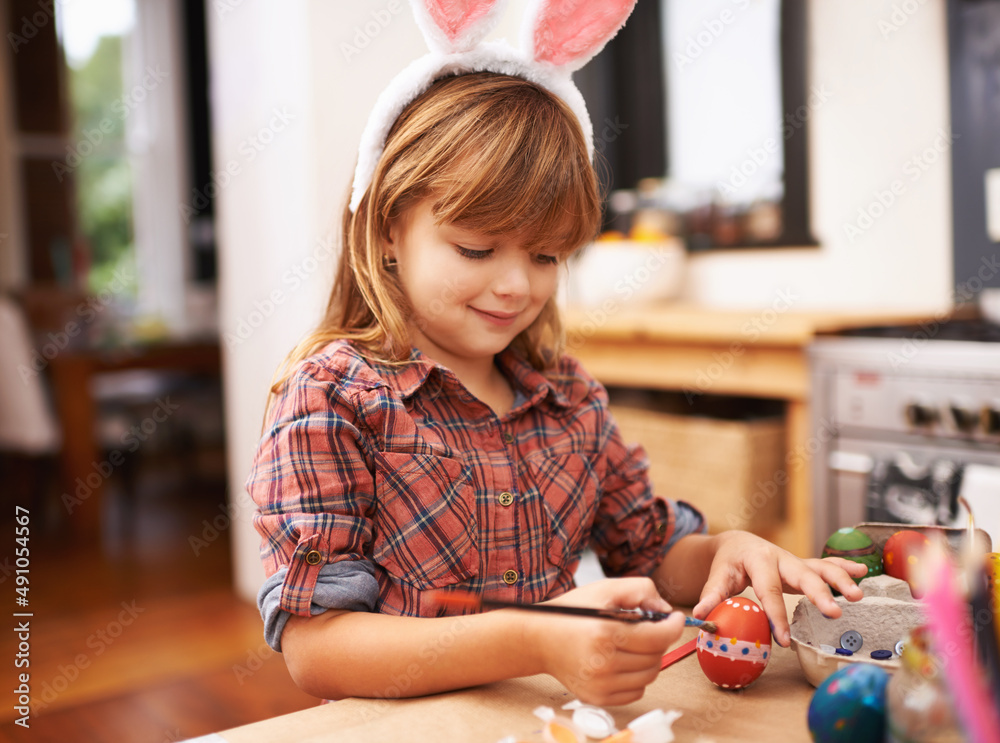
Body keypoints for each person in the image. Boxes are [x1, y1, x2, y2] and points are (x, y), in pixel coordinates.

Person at [247, 4, 866, 708]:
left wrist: (725, 550)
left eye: (545, 255)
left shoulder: (567, 398)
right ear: (389, 227)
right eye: (476, 248)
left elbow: (652, 551)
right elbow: (316, 647)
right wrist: (538, 637)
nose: (516, 285)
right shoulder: (331, 398)